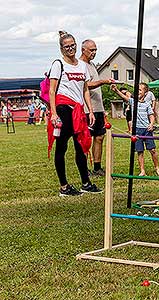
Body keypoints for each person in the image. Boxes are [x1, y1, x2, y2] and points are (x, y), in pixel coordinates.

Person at [48, 31, 101, 196]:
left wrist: (90, 110)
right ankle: (64, 186)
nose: (70, 49)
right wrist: (54, 114)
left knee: (81, 147)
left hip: (79, 111)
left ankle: (86, 183)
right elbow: (52, 90)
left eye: (72, 45)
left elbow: (85, 89)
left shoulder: (82, 66)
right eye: (66, 46)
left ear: (76, 46)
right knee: (61, 148)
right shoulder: (58, 64)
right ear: (61, 49)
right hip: (63, 109)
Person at [80, 39, 115, 176]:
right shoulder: (80, 65)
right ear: (83, 50)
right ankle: (83, 167)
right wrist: (102, 81)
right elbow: (85, 85)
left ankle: (97, 167)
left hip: (98, 108)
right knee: (85, 139)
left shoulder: (92, 65)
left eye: (95, 50)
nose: (94, 52)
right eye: (91, 50)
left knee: (100, 137)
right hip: (87, 109)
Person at [111, 83, 159, 176]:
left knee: (153, 150)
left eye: (140, 90)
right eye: (137, 90)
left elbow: (152, 116)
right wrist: (116, 90)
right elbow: (123, 96)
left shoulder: (147, 104)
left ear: (145, 93)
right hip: (137, 130)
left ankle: (157, 167)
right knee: (140, 151)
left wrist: (151, 124)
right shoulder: (133, 102)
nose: (137, 91)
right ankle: (142, 170)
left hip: (147, 130)